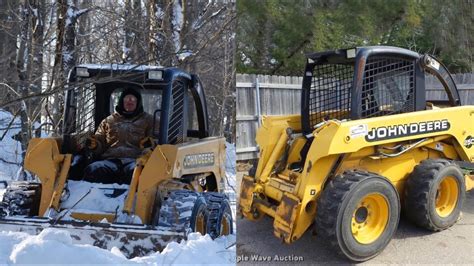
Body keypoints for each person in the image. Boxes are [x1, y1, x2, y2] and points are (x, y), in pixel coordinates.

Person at [81, 87, 154, 184]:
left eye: (133, 100)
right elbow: (100, 140)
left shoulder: (149, 121)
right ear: (121, 101)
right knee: (94, 169)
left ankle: (135, 198)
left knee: (137, 173)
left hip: (135, 160)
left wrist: (149, 145)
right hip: (111, 160)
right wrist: (95, 145)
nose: (130, 102)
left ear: (138, 102)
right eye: (127, 99)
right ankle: (92, 197)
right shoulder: (109, 121)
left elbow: (157, 141)